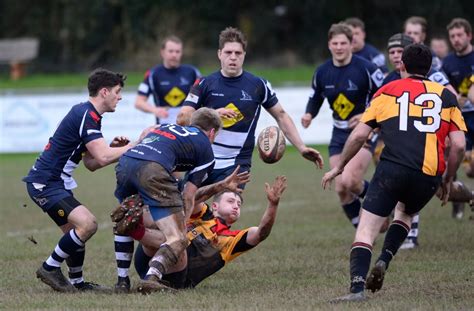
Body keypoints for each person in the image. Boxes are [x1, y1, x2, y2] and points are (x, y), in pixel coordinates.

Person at [322, 44, 466, 302]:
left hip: (392, 169)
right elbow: (458, 145)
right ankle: (385, 259)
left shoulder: (386, 92)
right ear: (430, 68)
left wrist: (340, 166)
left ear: (401, 66)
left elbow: (359, 135)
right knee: (406, 212)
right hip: (428, 175)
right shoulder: (447, 96)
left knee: (366, 230)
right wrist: (448, 179)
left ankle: (356, 289)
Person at [23, 68, 150, 292]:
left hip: (52, 183)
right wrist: (136, 144)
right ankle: (49, 268)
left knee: (74, 231)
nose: (120, 97)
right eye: (117, 92)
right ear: (104, 92)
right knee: (88, 224)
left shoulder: (89, 116)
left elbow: (92, 163)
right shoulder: (87, 115)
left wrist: (115, 149)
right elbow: (101, 156)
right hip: (46, 183)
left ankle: (77, 283)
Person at [176, 27, 323, 188]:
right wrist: (211, 115)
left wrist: (301, 147)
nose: (233, 57)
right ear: (219, 54)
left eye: (238, 53)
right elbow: (182, 118)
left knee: (227, 209)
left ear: (244, 55)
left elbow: (281, 115)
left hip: (237, 164)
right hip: (203, 157)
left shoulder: (258, 85)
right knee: (188, 207)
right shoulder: (204, 83)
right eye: (228, 52)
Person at [112, 108, 222, 293]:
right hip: (152, 169)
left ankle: (122, 282)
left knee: (126, 218)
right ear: (212, 132)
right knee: (178, 238)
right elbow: (189, 194)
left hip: (126, 161)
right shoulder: (206, 150)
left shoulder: (168, 126)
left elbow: (148, 131)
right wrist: (183, 225)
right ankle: (152, 277)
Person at [122, 175, 286, 291]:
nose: (236, 206)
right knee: (170, 224)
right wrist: (220, 186)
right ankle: (135, 226)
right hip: (148, 259)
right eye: (230, 201)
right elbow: (191, 198)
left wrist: (273, 204)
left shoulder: (232, 240)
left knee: (180, 240)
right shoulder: (203, 214)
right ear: (215, 207)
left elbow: (261, 233)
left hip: (176, 278)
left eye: (238, 204)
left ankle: (136, 230)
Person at [301, 23, 384, 228]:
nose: (339, 47)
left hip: (364, 131)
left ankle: (384, 202)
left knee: (350, 180)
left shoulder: (367, 68)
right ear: (329, 45)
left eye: (343, 43)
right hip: (338, 134)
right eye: (335, 43)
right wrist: (309, 114)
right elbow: (316, 97)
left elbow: (385, 95)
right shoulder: (322, 72)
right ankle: (362, 230)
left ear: (351, 43)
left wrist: (368, 115)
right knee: (341, 188)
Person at [382, 33, 459, 242]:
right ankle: (410, 232)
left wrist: (448, 130)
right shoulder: (389, 79)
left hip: (432, 139)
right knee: (420, 184)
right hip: (406, 142)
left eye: (400, 52)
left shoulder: (432, 75)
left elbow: (452, 96)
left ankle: (463, 195)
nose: (397, 56)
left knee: (429, 184)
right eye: (392, 52)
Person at [135, 35, 201, 124]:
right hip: (163, 127)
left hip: (187, 126)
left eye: (177, 51)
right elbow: (139, 102)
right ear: (162, 52)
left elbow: (204, 96)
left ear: (181, 53)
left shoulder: (192, 72)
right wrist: (155, 110)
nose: (174, 55)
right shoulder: (153, 74)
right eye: (171, 51)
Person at [442, 18, 474, 182]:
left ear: (469, 36)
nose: (456, 39)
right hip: (462, 118)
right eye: (452, 36)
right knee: (469, 170)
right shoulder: (447, 62)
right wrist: (455, 101)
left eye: (459, 35)